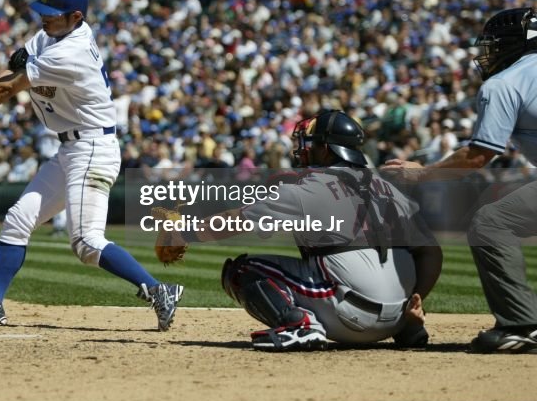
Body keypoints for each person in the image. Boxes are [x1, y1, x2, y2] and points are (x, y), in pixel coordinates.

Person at [0, 0, 183, 330]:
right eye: (44, 12)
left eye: (53, 15)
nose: (45, 19)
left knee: (85, 242)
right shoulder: (50, 35)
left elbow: (10, 86)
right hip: (70, 147)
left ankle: (160, 290)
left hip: (93, 149)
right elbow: (9, 72)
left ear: (76, 16)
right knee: (18, 219)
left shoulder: (72, 52)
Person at [159, 110, 441, 351]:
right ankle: (408, 330)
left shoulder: (311, 187)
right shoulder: (388, 188)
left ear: (327, 149)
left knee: (243, 269)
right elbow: (431, 253)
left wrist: (183, 233)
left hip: (350, 317)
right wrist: (416, 300)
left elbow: (236, 221)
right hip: (402, 318)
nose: (304, 148)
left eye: (312, 143)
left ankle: (300, 326)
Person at [383, 7, 537, 353]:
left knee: (491, 223)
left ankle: (522, 325)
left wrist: (419, 173)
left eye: (495, 45)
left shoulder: (504, 82)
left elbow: (478, 155)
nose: (489, 53)